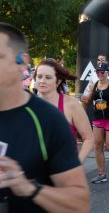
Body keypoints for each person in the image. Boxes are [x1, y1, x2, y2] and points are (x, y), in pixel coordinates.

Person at [0, 22, 90, 212]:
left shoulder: (48, 119)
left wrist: (28, 188)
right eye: (39, 77)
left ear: (22, 62)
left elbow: (80, 204)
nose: (41, 81)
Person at [35, 59, 94, 162]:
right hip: (36, 173)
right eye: (39, 76)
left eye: (48, 77)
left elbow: (89, 139)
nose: (42, 81)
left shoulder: (71, 105)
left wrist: (76, 164)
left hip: (65, 173)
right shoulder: (29, 105)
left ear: (58, 81)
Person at [81, 63, 109, 184]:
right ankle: (101, 174)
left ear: (107, 73)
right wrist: (81, 98)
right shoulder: (94, 85)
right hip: (98, 118)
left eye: (102, 72)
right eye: (98, 72)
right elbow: (88, 99)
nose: (100, 74)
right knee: (98, 146)